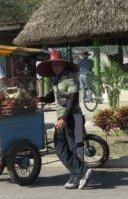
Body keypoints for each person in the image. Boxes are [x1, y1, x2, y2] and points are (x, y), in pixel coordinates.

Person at [35, 50, 92, 190]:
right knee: (60, 148)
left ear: (63, 64)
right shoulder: (56, 79)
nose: (55, 67)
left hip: (72, 117)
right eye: (53, 65)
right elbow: (51, 97)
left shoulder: (71, 78)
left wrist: (65, 118)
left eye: (58, 64)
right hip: (62, 119)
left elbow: (73, 99)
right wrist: (39, 99)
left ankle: (77, 176)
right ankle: (79, 173)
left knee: (74, 147)